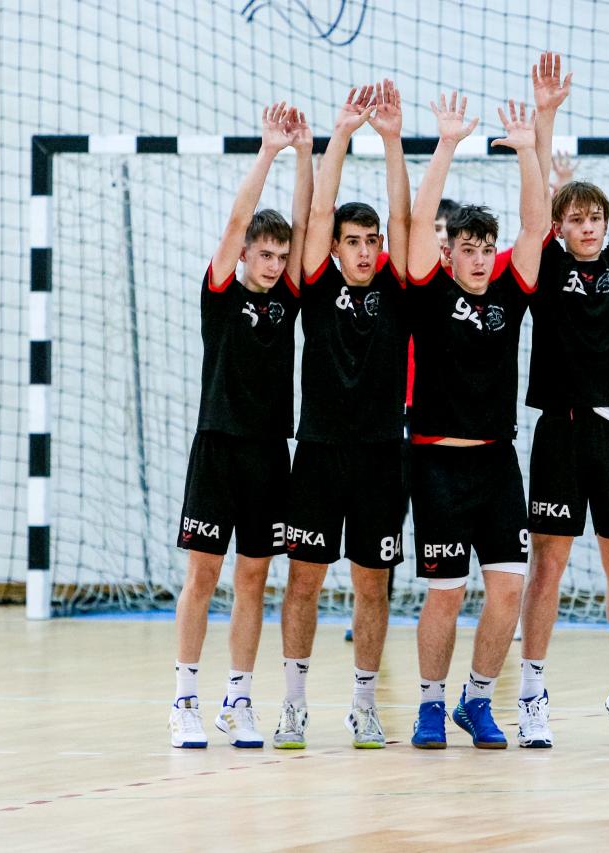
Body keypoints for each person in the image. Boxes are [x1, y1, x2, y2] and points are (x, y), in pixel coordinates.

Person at [516, 53, 609, 749]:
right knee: (546, 564)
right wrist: (543, 117)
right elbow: (534, 207)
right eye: (575, 217)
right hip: (559, 431)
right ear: (561, 225)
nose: (586, 225)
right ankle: (531, 693)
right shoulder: (545, 263)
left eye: (593, 217)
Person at [404, 93, 548, 750]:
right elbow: (416, 220)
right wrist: (446, 144)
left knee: (509, 589)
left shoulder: (510, 298)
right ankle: (430, 705)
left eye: (488, 248)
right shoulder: (429, 294)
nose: (482, 258)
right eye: (470, 249)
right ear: (451, 254)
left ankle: (478, 698)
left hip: (496, 462)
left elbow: (536, 226)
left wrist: (527, 152)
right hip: (436, 461)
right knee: (445, 594)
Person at [169, 102, 313, 750]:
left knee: (254, 577)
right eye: (265, 253)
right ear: (246, 253)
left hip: (268, 455)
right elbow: (236, 221)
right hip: (217, 449)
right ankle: (184, 699)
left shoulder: (288, 298)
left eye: (281, 255)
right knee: (203, 575)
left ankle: (239, 698)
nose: (274, 263)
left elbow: (307, 222)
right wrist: (269, 151)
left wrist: (305, 155)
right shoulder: (221, 294)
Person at [273, 81, 412, 750]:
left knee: (372, 587)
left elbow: (405, 216)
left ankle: (364, 704)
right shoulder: (317, 280)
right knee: (303, 581)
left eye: (370, 241)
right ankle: (293, 704)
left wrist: (391, 139)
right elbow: (317, 208)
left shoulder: (398, 285)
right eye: (352, 241)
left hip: (383, 454)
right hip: (319, 454)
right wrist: (341, 133)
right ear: (334, 247)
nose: (362, 250)